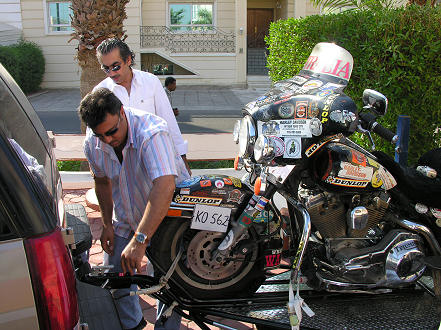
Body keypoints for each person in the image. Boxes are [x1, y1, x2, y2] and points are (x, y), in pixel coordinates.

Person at [79, 88, 189, 330]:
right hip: (125, 216)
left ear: (121, 112)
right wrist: (107, 224)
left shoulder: (152, 132)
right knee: (116, 276)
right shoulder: (92, 140)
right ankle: (132, 325)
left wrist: (140, 241)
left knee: (167, 284)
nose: (107, 140)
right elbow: (101, 181)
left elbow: (164, 186)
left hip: (167, 218)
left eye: (111, 132)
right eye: (100, 136)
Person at [94, 38, 191, 175]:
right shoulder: (101, 91)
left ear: (128, 60)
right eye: (106, 68)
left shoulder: (150, 81)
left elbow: (168, 121)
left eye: (116, 66)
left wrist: (182, 158)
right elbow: (95, 135)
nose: (111, 73)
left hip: (156, 159)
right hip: (121, 165)